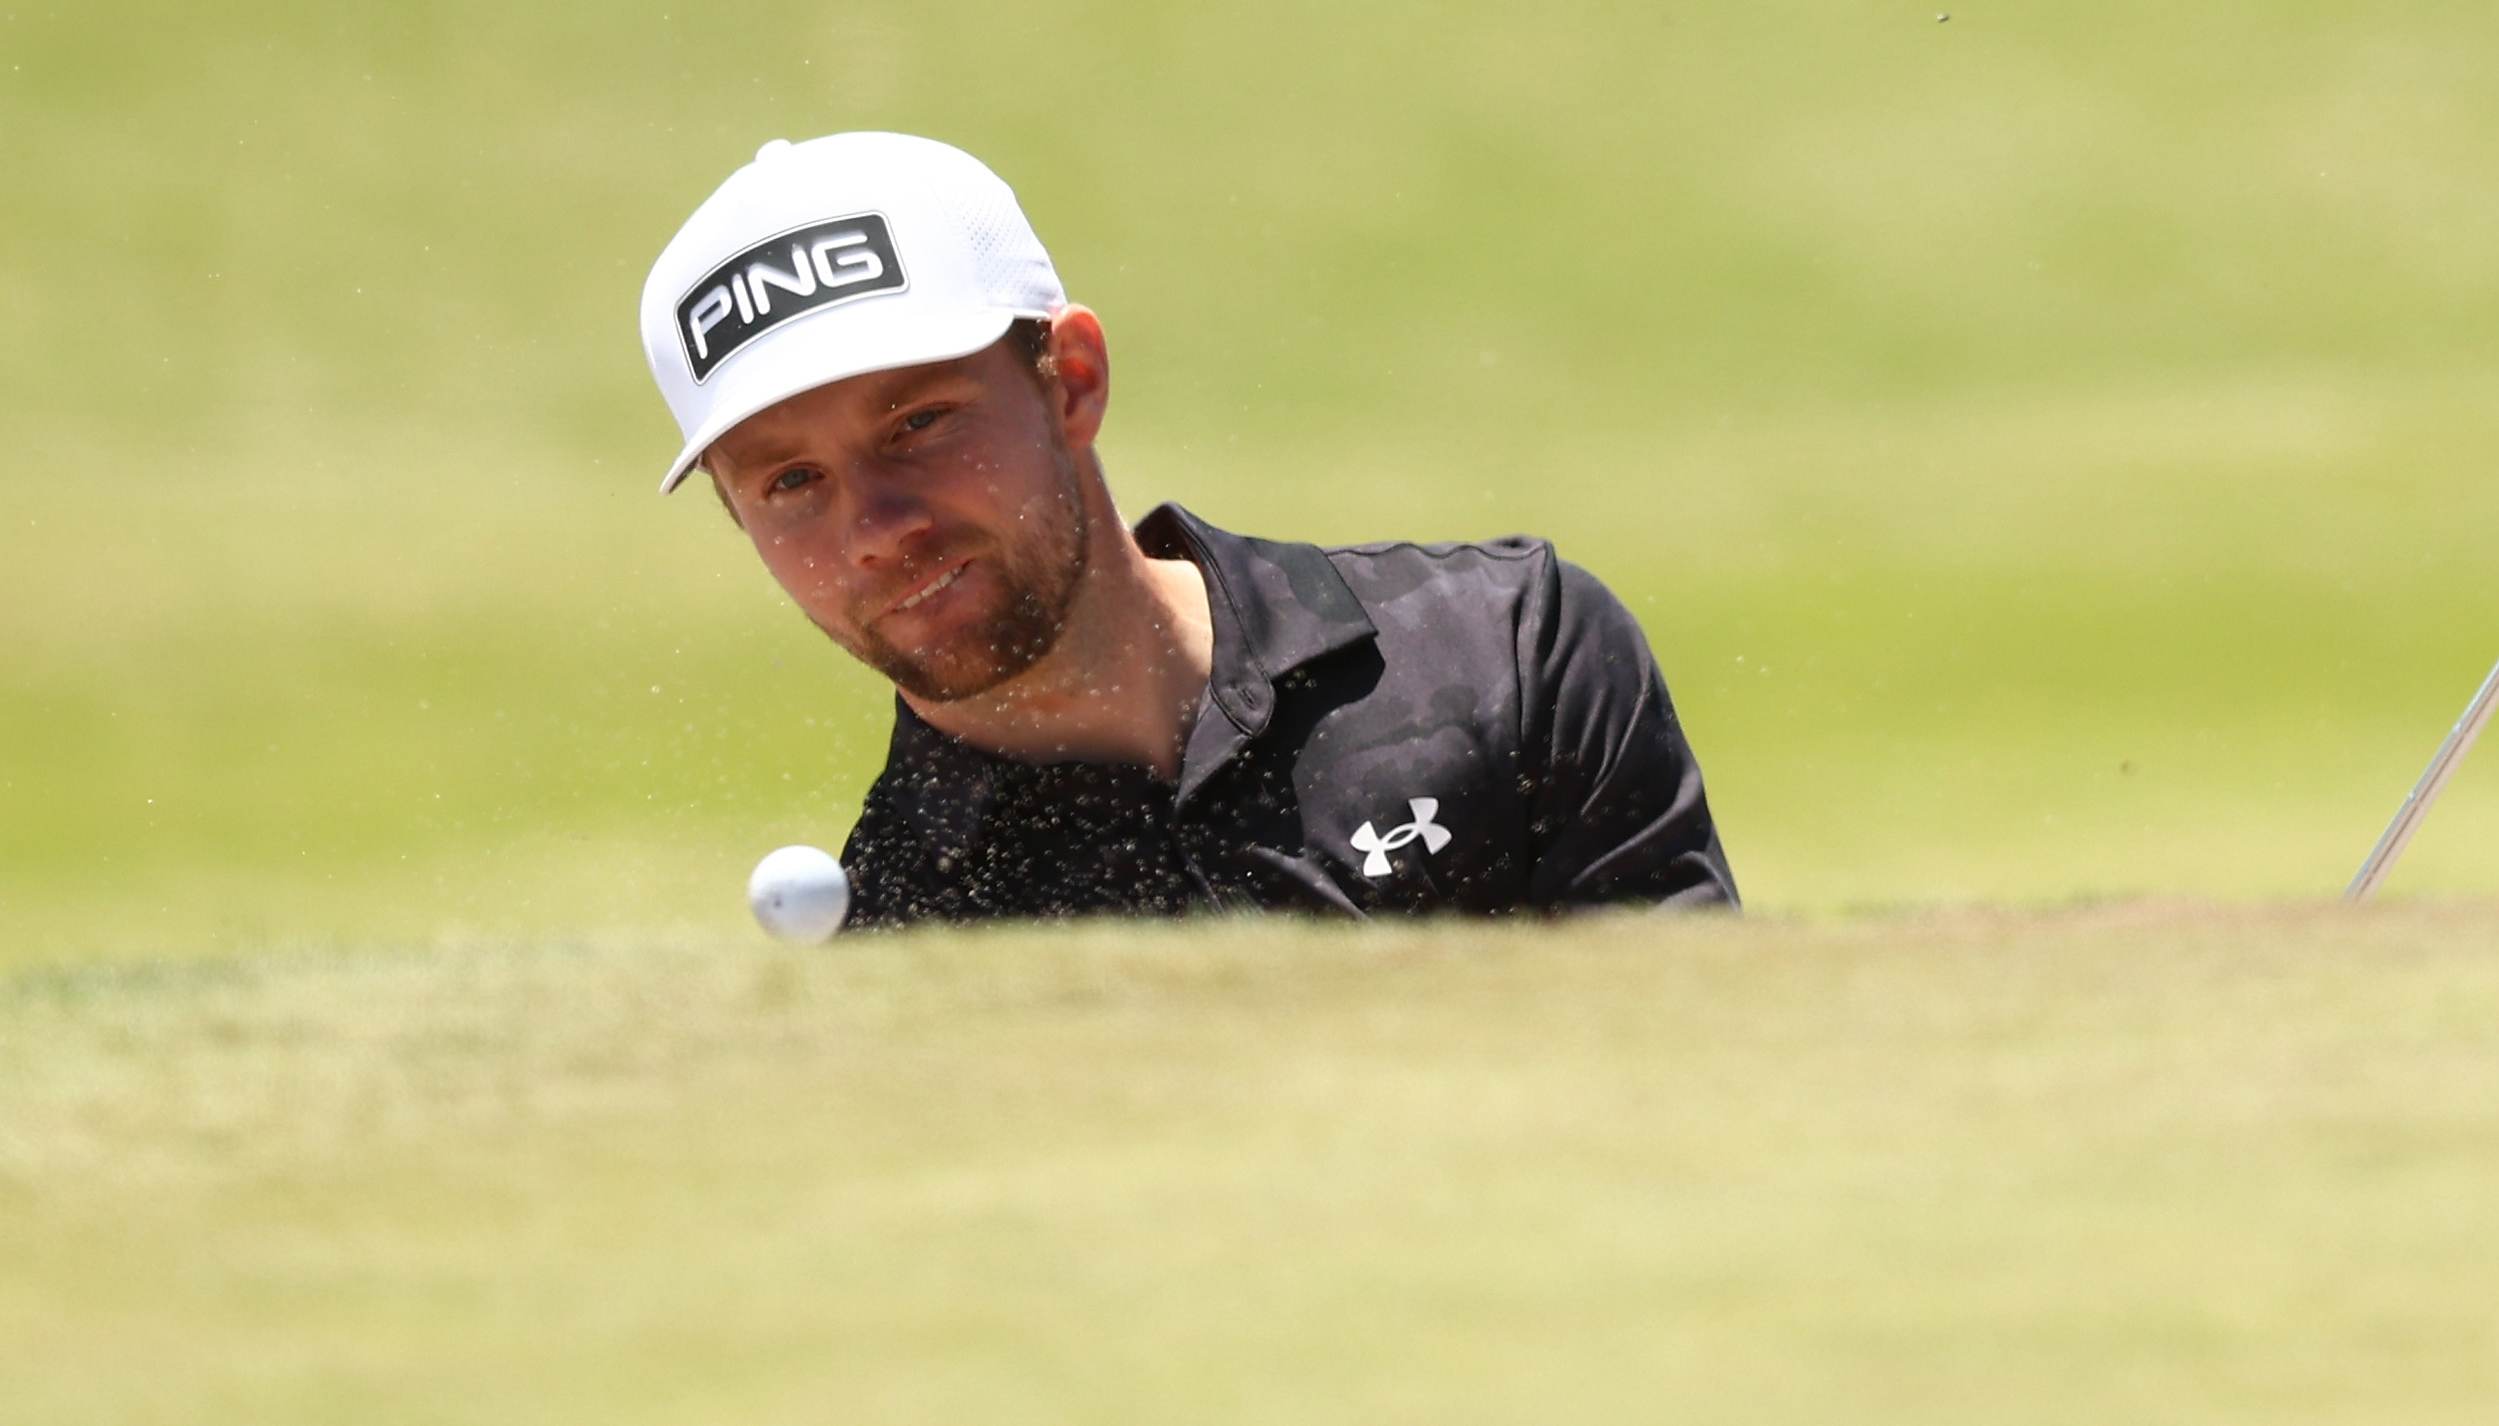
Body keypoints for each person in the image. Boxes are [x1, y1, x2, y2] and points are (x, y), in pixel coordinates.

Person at [638, 131, 1739, 923]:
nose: (874, 525)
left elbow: (1699, 1106)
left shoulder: (1504, 652)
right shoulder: (905, 944)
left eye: (919, 422)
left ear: (1071, 380)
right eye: (790, 482)